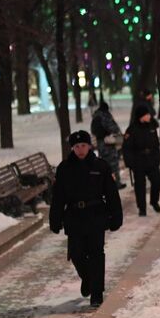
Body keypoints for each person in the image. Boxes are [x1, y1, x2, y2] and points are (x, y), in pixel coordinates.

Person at [49, 131, 123, 308]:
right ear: (72, 148)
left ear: (89, 146)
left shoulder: (100, 166)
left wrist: (116, 216)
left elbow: (111, 194)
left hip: (96, 214)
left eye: (83, 145)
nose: (80, 150)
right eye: (76, 147)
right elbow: (58, 197)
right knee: (76, 254)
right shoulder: (65, 169)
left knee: (96, 254)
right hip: (74, 217)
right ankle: (88, 279)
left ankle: (96, 293)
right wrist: (55, 219)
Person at [122, 103, 160, 216]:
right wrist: (130, 163)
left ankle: (154, 201)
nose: (149, 116)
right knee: (140, 185)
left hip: (151, 160)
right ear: (141, 116)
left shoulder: (152, 127)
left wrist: (157, 159)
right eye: (147, 114)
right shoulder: (132, 129)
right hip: (138, 160)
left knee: (157, 181)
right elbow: (126, 148)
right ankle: (142, 208)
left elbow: (156, 145)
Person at [90, 100, 126, 189]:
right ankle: (116, 183)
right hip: (108, 143)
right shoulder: (104, 115)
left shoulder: (96, 116)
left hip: (100, 143)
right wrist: (118, 134)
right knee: (113, 164)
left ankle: (106, 183)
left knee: (105, 164)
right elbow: (113, 127)